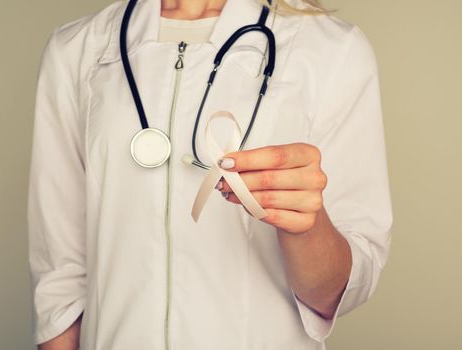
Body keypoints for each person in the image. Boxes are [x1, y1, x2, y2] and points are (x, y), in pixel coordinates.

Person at [27, 0, 393, 349]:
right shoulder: (76, 49)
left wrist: (306, 227)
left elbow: (337, 294)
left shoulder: (332, 50)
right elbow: (59, 276)